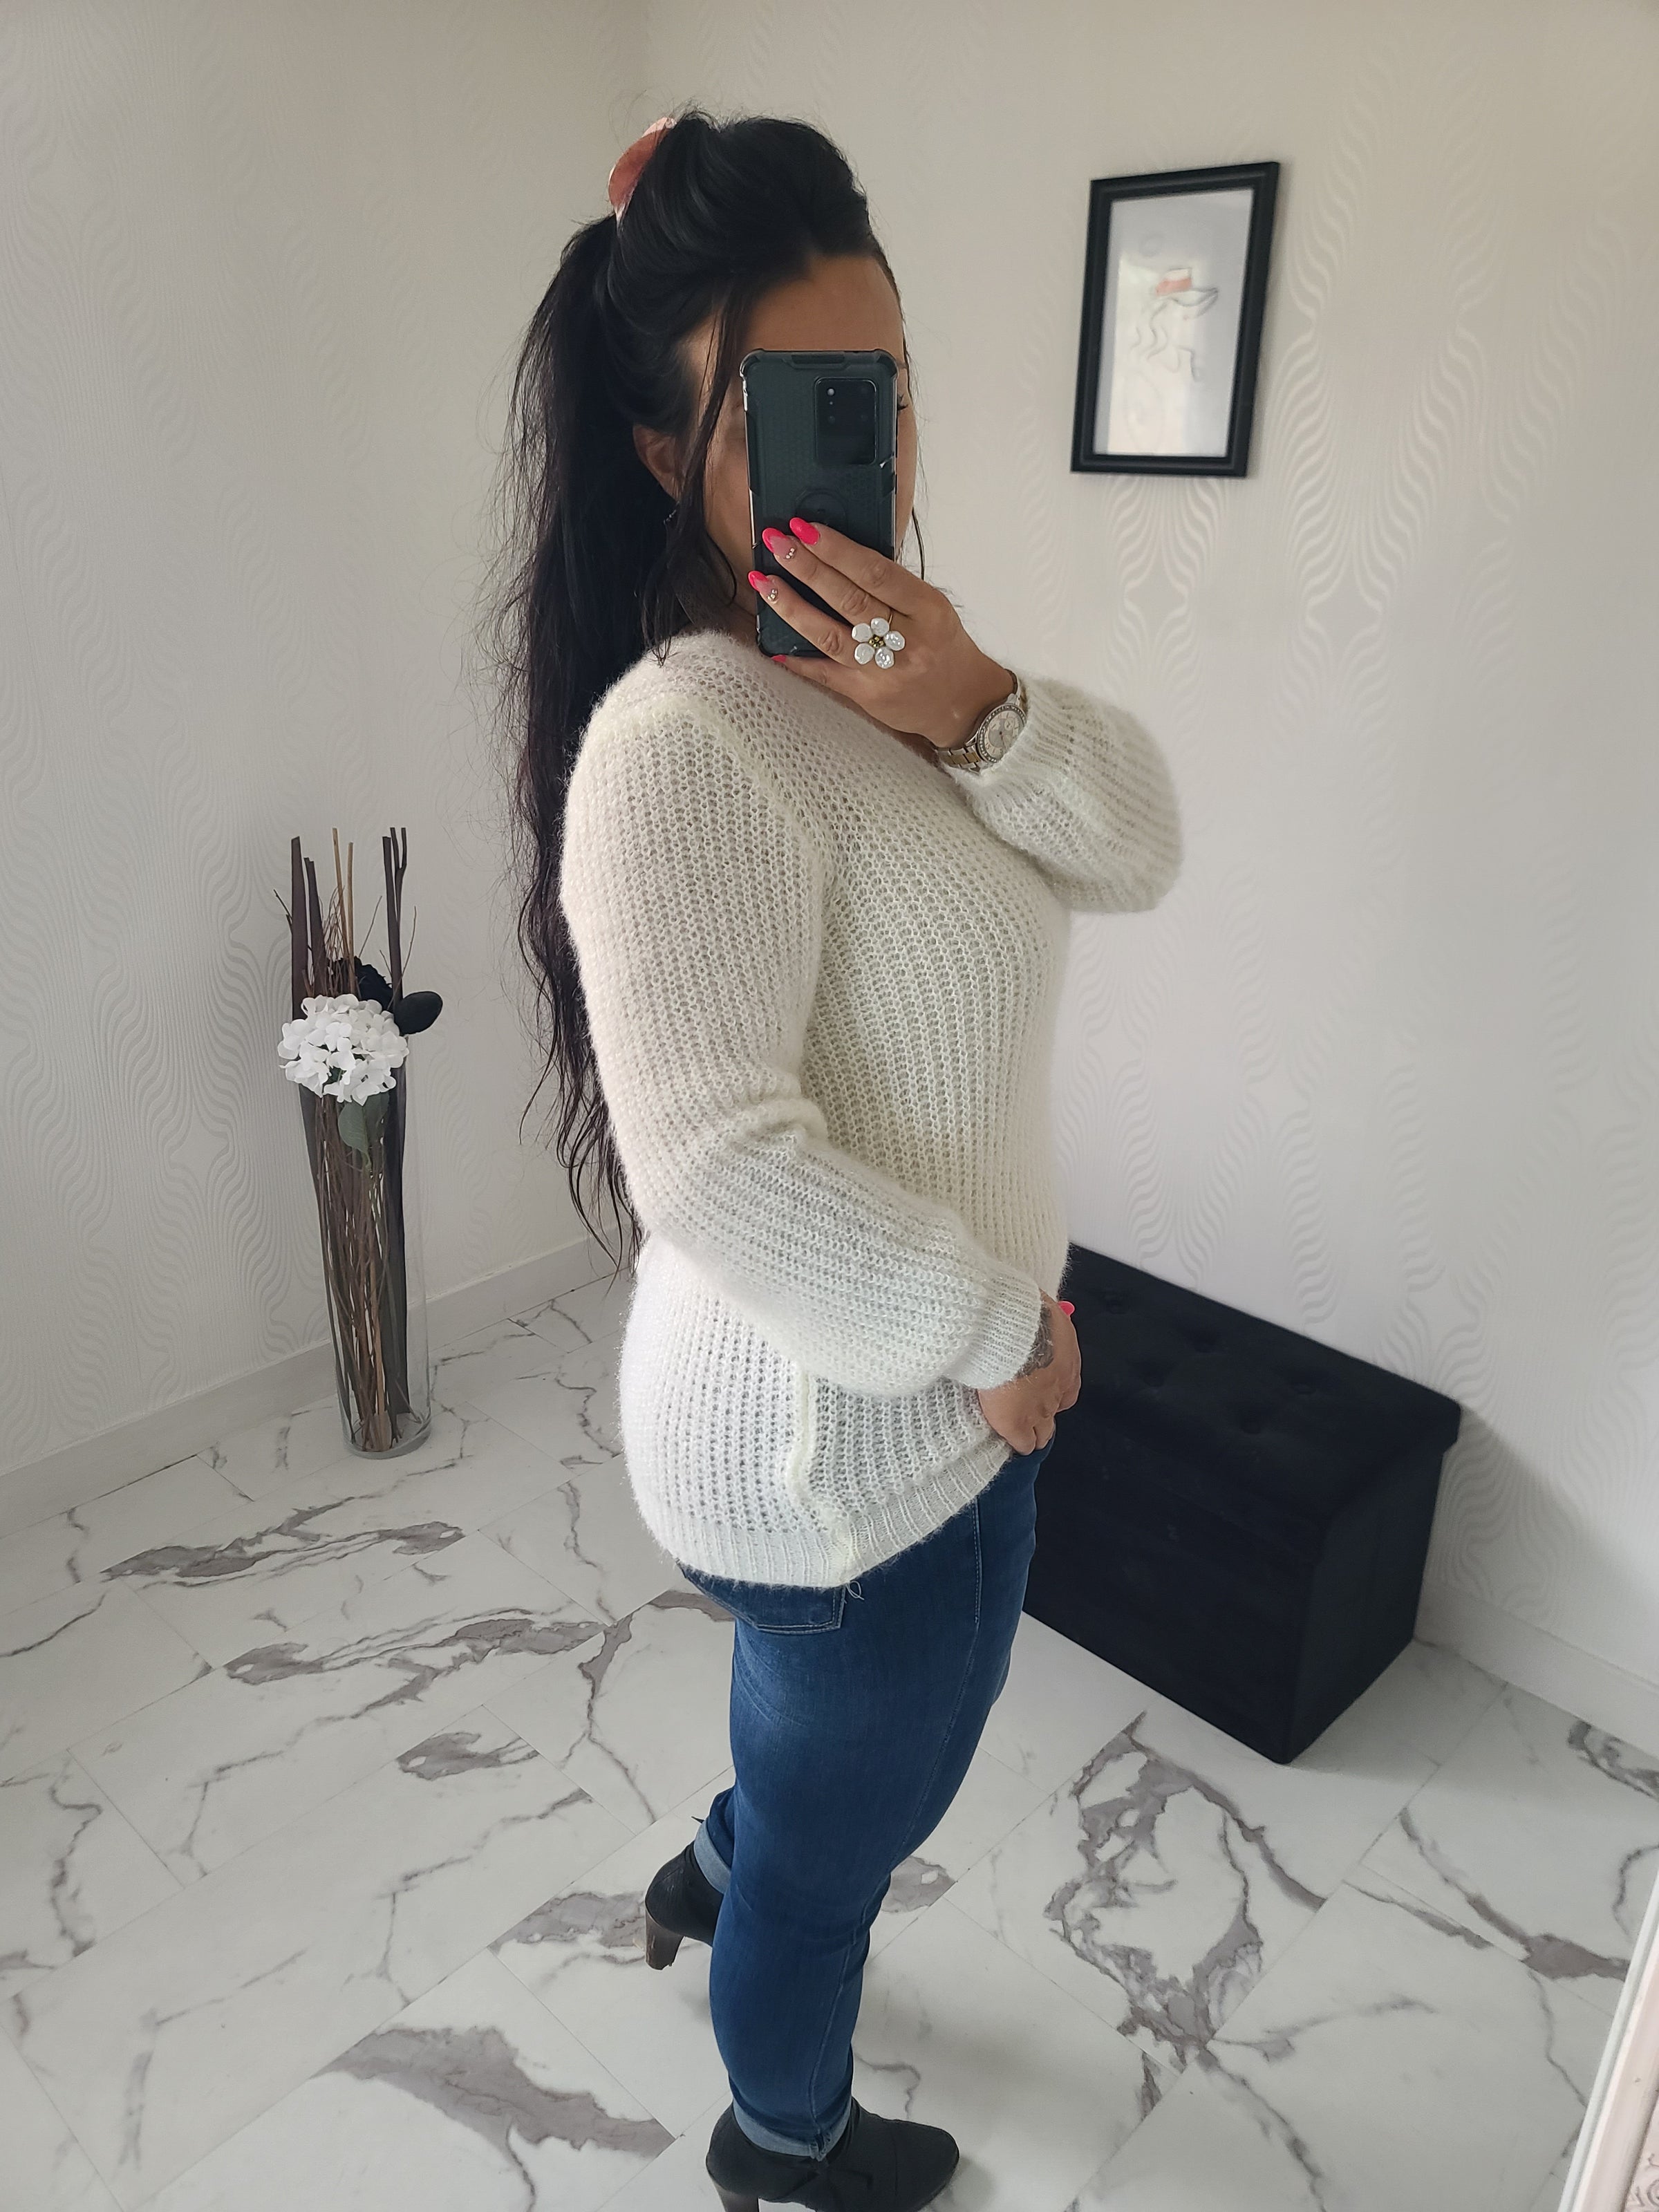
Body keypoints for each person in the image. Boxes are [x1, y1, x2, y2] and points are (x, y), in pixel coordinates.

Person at [485, 107, 1182, 2212]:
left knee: (809, 1755)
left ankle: (726, 1853)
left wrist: (974, 698)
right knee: (847, 1846)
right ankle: (782, 2133)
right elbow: (716, 1169)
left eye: (880, 384)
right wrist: (998, 1339)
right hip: (851, 1452)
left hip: (875, 1413)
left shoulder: (905, 691)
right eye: (795, 399)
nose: (862, 442)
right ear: (660, 447)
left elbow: (1139, 846)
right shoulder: (685, 743)